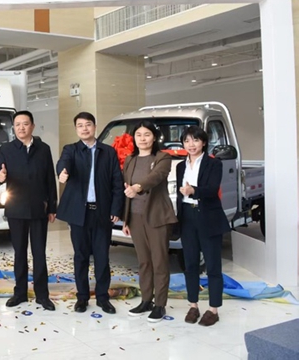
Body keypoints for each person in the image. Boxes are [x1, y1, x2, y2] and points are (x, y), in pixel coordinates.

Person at [56, 112, 124, 315]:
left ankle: (103, 297)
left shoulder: (108, 152)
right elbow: (63, 163)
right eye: (80, 125)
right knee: (81, 256)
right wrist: (62, 172)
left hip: (102, 212)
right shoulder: (71, 150)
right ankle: (82, 297)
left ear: (94, 127)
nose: (84, 128)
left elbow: (117, 182)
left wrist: (116, 209)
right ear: (76, 129)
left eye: (88, 125)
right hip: (79, 213)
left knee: (102, 257)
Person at [0, 110, 57, 311]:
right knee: (19, 253)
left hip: (38, 209)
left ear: (32, 126)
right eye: (17, 124)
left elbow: (50, 179)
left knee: (39, 253)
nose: (21, 127)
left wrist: (52, 206)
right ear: (13, 128)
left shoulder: (43, 149)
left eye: (25, 123)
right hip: (16, 208)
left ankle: (42, 295)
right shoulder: (6, 149)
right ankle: (19, 293)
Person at [122, 120, 177, 323]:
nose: (142, 139)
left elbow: (156, 177)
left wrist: (138, 187)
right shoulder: (130, 160)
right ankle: (146, 300)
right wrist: (126, 219)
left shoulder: (163, 157)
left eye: (147, 134)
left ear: (154, 137)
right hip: (135, 217)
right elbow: (125, 188)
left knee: (159, 261)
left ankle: (160, 304)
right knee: (144, 261)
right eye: (138, 135)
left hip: (157, 216)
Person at [177, 126, 230, 326]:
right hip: (187, 217)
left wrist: (193, 190)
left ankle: (213, 309)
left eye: (195, 140)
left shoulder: (213, 164)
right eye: (187, 141)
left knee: (213, 265)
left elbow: (212, 189)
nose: (191, 145)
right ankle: (193, 305)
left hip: (208, 216)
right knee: (190, 264)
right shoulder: (180, 166)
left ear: (204, 142)